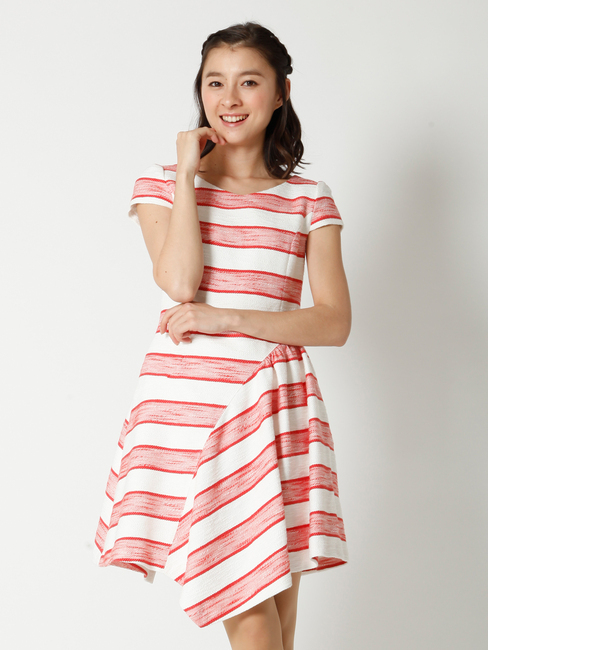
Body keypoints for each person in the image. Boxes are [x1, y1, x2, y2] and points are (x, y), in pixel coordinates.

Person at [93, 21, 351, 650]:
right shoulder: (161, 183)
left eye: (249, 82)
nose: (229, 99)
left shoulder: (307, 198)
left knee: (279, 622)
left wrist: (230, 318)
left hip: (272, 403)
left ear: (281, 92)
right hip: (190, 408)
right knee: (250, 612)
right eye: (215, 83)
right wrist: (187, 174)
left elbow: (334, 321)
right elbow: (180, 282)